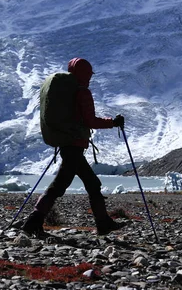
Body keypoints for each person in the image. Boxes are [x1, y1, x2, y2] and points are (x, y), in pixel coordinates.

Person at [21, 57, 126, 237]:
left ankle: (102, 223)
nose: (90, 78)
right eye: (88, 74)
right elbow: (90, 121)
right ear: (84, 74)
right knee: (74, 185)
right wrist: (113, 123)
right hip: (74, 146)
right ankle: (33, 221)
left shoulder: (66, 92)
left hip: (67, 144)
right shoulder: (82, 93)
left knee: (74, 184)